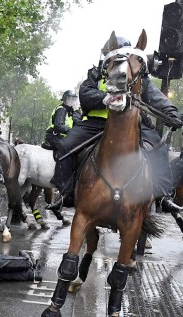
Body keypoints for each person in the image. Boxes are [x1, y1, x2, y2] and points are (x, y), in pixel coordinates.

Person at [46, 36, 183, 213]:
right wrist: (103, 98)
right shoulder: (95, 73)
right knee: (65, 145)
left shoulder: (136, 73)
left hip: (130, 125)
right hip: (96, 123)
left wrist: (172, 113)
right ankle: (65, 193)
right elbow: (85, 93)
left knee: (159, 148)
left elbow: (155, 96)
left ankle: (162, 196)